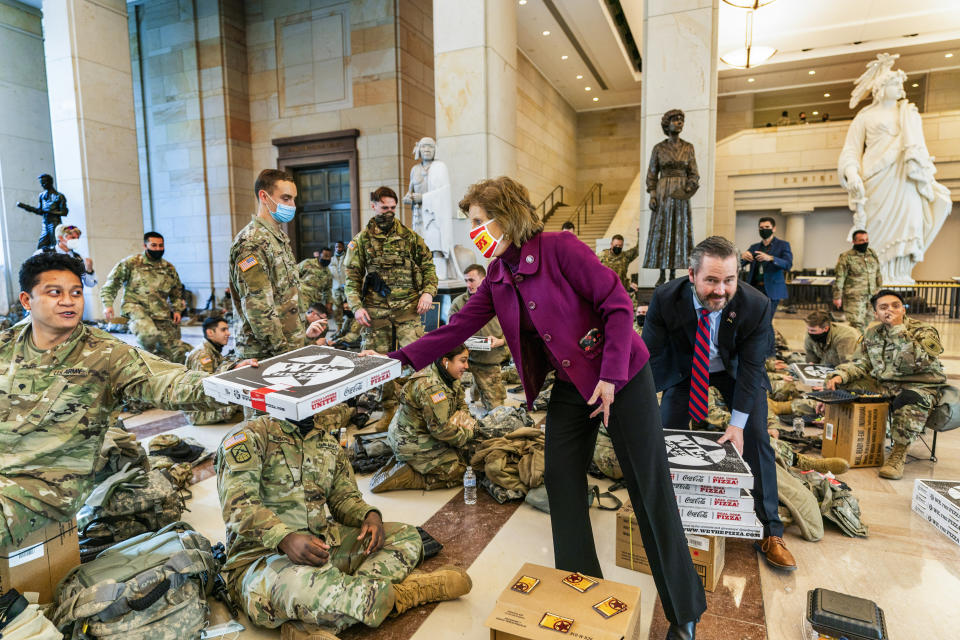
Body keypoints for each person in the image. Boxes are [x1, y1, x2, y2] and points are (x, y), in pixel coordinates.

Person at [368, 176, 705, 639]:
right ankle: (582, 591)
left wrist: (609, 376)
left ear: (505, 217)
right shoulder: (498, 276)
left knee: (648, 488)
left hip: (620, 377)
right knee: (562, 481)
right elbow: (453, 331)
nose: (474, 232)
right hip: (571, 385)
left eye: (479, 222)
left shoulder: (560, 248)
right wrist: (390, 363)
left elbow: (618, 305)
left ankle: (683, 612)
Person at [0, 253, 235, 547]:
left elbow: (167, 380)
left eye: (75, 293)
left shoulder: (105, 353)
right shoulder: (7, 345)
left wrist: (228, 382)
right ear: (26, 300)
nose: (69, 301)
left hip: (47, 485)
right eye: (54, 293)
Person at [216, 411, 472, 639]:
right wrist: (285, 538)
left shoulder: (327, 443)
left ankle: (314, 621)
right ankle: (401, 595)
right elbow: (239, 507)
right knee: (300, 586)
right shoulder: (250, 436)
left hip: (323, 546)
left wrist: (369, 516)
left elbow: (344, 498)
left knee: (406, 536)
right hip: (262, 560)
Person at [643, 236, 796, 572]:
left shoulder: (755, 304)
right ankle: (667, 514)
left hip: (734, 369)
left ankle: (770, 530)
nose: (721, 290)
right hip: (686, 367)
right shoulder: (666, 297)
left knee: (756, 435)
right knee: (666, 432)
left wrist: (737, 424)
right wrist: (639, 406)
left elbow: (754, 367)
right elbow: (648, 355)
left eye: (729, 280)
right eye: (711, 280)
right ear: (692, 275)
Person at [838, 53, 951, 284]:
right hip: (876, 178)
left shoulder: (908, 114)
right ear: (881, 88)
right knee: (876, 226)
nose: (900, 86)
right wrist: (852, 173)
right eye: (894, 83)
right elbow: (850, 150)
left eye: (900, 83)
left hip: (905, 178)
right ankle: (877, 275)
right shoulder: (865, 116)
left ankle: (898, 274)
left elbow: (917, 148)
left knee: (909, 222)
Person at [825, 289, 945, 480]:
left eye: (896, 306)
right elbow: (862, 363)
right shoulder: (873, 333)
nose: (890, 310)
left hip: (919, 384)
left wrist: (898, 329)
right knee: (839, 385)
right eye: (884, 307)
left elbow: (920, 362)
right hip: (885, 383)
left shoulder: (924, 330)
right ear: (876, 314)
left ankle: (898, 453)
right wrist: (841, 375)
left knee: (910, 399)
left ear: (904, 310)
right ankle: (849, 438)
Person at [345, 186, 438, 421]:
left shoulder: (409, 237)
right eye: (384, 207)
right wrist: (357, 307)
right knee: (379, 367)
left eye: (393, 208)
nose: (389, 212)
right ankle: (389, 415)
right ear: (373, 206)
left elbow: (428, 266)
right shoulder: (362, 241)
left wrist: (428, 293)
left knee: (420, 363)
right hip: (376, 316)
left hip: (408, 312)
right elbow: (352, 279)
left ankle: (421, 414)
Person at [229, 169, 324, 362]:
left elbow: (287, 296)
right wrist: (284, 353)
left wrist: (302, 335)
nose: (292, 205)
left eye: (293, 199)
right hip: (264, 353)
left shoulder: (277, 238)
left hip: (288, 346)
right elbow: (258, 309)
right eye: (286, 198)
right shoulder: (251, 243)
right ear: (264, 196)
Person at [374, 344, 478, 492]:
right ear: (445, 361)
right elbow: (440, 431)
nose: (466, 366)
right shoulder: (432, 387)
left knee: (465, 450)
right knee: (462, 471)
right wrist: (468, 432)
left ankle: (407, 462)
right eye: (462, 360)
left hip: (416, 432)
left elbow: (460, 402)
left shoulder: (448, 375)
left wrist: (466, 419)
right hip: (411, 440)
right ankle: (409, 477)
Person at [100, 231, 192, 362]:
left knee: (174, 352)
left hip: (160, 312)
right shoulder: (131, 263)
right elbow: (112, 283)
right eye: (154, 245)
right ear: (145, 246)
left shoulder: (168, 268)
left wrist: (177, 309)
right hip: (135, 307)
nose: (158, 249)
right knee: (149, 336)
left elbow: (176, 291)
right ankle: (145, 365)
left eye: (161, 246)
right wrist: (108, 305)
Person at [642, 109, 699, 287]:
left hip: (681, 194)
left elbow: (694, 172)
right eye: (675, 120)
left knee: (678, 229)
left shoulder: (688, 147)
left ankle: (674, 272)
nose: (679, 122)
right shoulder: (659, 148)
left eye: (681, 120)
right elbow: (652, 173)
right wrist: (652, 194)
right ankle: (662, 272)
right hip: (663, 192)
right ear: (668, 124)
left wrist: (690, 186)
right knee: (663, 228)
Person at [450, 264, 508, 412]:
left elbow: (516, 328)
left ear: (484, 280)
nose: (468, 284)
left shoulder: (500, 299)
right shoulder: (458, 303)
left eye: (472, 280)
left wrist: (501, 341)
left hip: (488, 358)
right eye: (466, 281)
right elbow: (450, 329)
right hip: (464, 356)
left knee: (497, 410)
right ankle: (477, 386)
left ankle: (479, 387)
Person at [184, 316, 250, 425]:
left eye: (227, 329)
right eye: (223, 330)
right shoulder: (203, 355)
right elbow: (204, 387)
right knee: (247, 404)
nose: (228, 333)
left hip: (205, 404)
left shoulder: (212, 350)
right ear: (210, 332)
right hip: (198, 412)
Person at [832, 229, 883, 333]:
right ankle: (857, 346)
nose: (865, 242)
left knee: (867, 320)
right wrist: (837, 297)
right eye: (861, 240)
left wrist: (879, 291)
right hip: (854, 297)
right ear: (854, 242)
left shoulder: (872, 254)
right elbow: (840, 278)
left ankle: (855, 341)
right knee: (857, 323)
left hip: (871, 295)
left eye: (866, 240)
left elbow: (878, 273)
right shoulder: (846, 257)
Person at [742, 217, 792, 312]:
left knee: (766, 319)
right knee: (755, 318)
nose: (764, 230)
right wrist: (742, 256)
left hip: (772, 289)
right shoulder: (754, 247)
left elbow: (788, 264)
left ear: (774, 228)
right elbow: (740, 264)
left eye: (767, 227)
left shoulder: (783, 245)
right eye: (761, 228)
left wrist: (771, 258)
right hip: (755, 288)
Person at [16, 173, 68, 251]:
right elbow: (40, 211)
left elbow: (64, 213)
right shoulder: (42, 195)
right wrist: (26, 207)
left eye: (44, 183)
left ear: (50, 182)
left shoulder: (59, 196)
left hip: (55, 224)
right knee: (41, 246)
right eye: (41, 183)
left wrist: (49, 212)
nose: (42, 185)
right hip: (45, 224)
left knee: (56, 245)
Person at [299, 247, 334, 315]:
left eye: (329, 257)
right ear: (319, 255)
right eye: (325, 256)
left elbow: (328, 290)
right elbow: (294, 274)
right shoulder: (308, 263)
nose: (328, 259)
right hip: (302, 298)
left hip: (314, 302)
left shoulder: (328, 273)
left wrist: (329, 302)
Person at [331, 240, 348, 325]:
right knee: (336, 309)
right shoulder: (331, 260)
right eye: (336, 247)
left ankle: (350, 329)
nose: (338, 248)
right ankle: (339, 328)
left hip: (347, 287)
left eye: (340, 247)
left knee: (349, 308)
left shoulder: (347, 258)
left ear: (343, 247)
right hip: (335, 288)